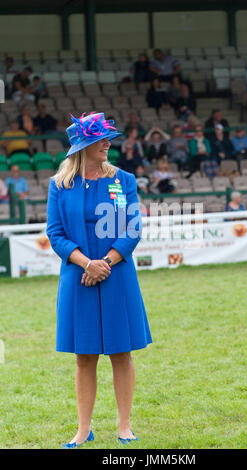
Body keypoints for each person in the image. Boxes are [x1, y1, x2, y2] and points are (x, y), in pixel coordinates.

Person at [46, 112, 152, 448]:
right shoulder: (59, 186)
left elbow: (132, 228)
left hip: (117, 276)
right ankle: (83, 429)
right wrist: (85, 263)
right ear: (83, 146)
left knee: (122, 352)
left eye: (108, 139)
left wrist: (104, 263)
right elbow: (55, 233)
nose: (108, 144)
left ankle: (124, 427)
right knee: (84, 356)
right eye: (100, 140)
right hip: (78, 280)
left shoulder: (124, 180)